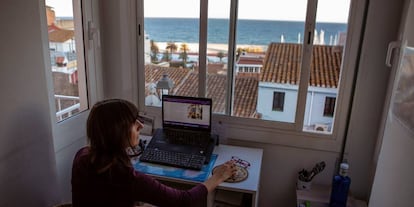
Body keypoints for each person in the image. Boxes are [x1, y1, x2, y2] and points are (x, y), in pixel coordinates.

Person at [71, 99, 236, 207]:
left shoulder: (81, 156)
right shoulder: (126, 178)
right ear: (117, 132)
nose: (141, 126)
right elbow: (184, 200)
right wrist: (218, 177)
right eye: (133, 123)